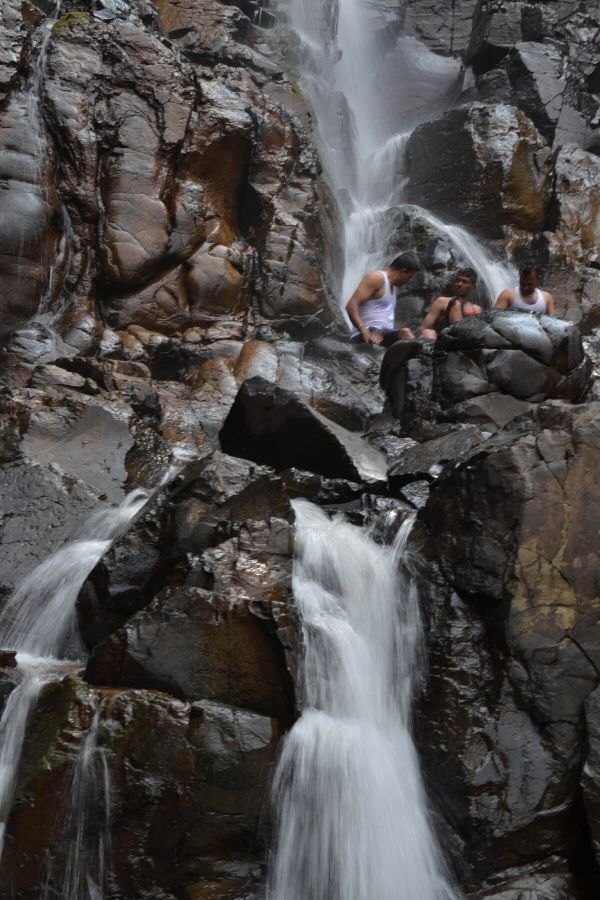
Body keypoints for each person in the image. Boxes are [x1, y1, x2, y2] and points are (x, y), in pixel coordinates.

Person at [346, 252, 419, 347]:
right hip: (368, 333)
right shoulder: (377, 277)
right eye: (409, 277)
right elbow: (351, 304)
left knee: (428, 334)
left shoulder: (393, 288)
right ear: (403, 271)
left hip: (383, 335)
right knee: (405, 333)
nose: (408, 281)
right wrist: (364, 331)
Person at [417, 268, 481, 340]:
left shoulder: (476, 309)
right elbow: (424, 327)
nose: (459, 284)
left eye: (464, 282)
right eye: (457, 281)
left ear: (473, 286)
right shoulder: (441, 302)